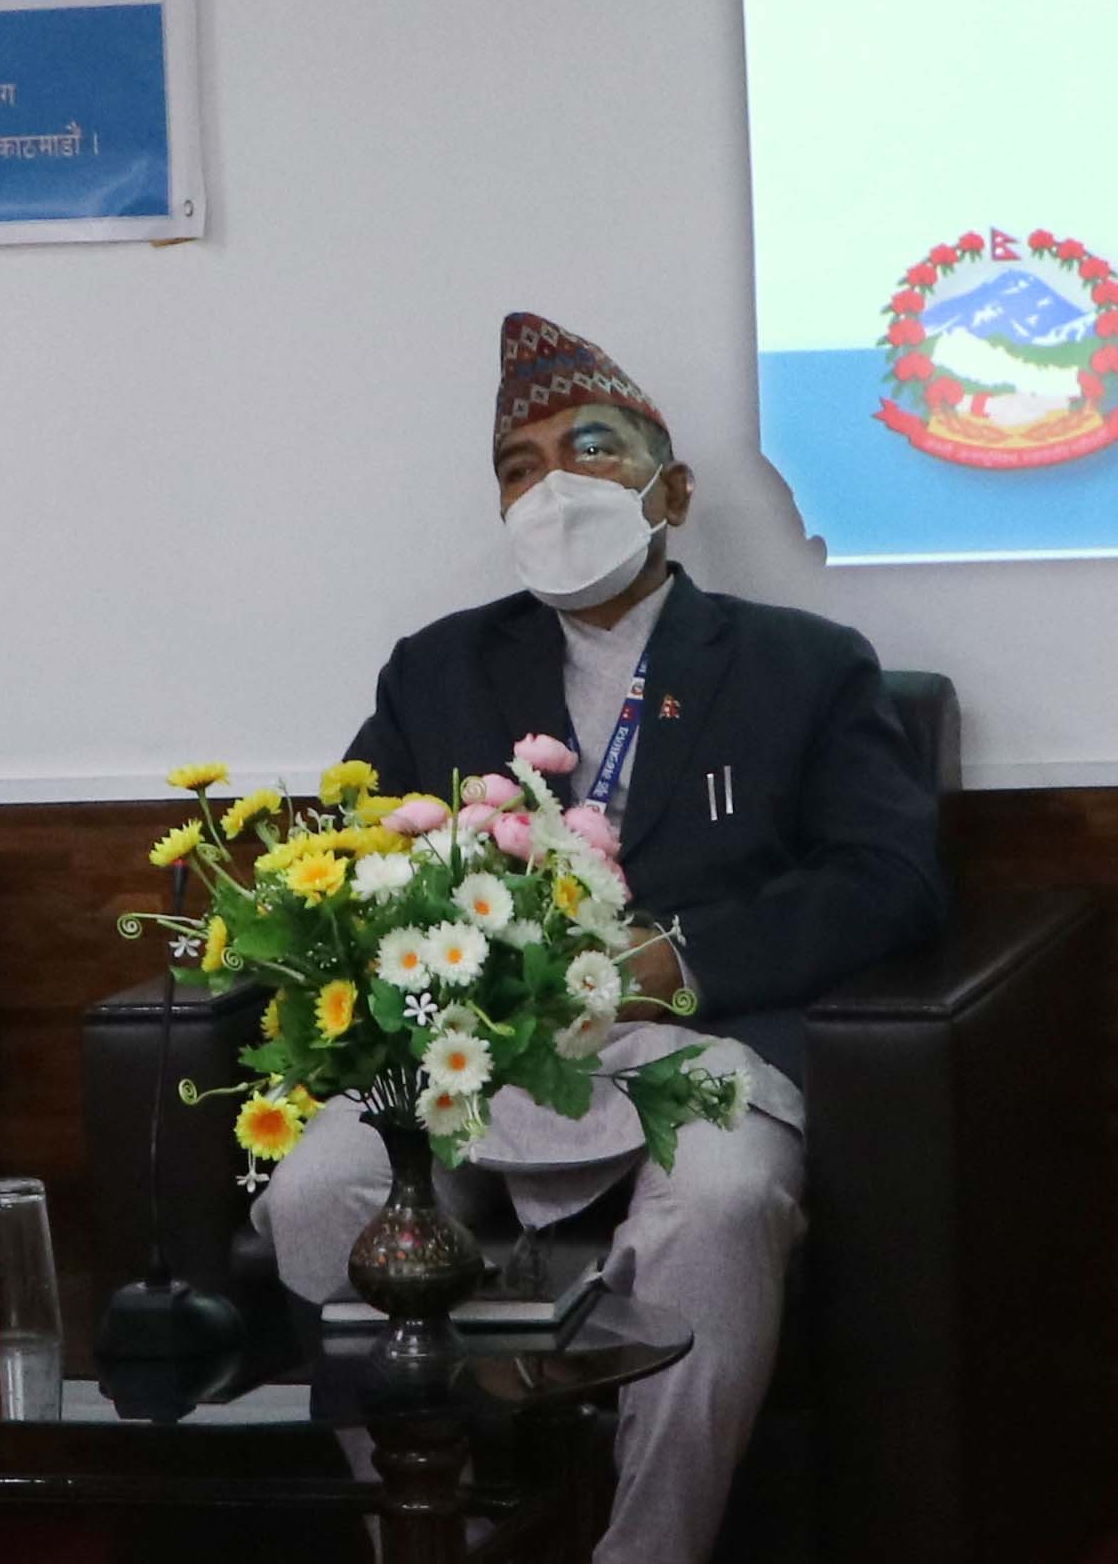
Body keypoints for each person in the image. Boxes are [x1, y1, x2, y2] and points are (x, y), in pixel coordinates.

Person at [263, 314, 947, 1564]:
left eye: (590, 450)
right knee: (313, 1195)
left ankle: (646, 1551)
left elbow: (887, 880)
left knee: (721, 1202)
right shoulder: (438, 671)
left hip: (699, 1041)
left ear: (669, 491)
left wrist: (679, 960)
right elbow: (358, 869)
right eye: (519, 468)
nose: (553, 487)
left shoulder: (802, 666)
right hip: (477, 1058)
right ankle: (431, 1535)